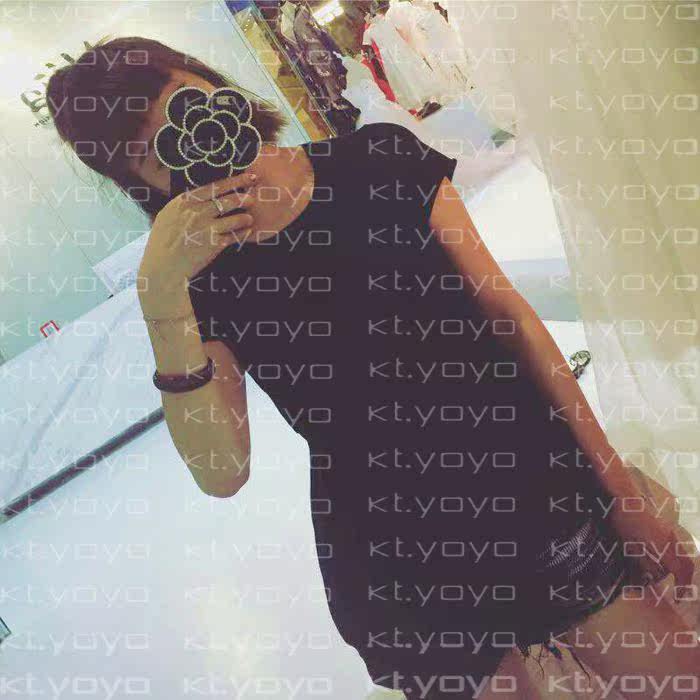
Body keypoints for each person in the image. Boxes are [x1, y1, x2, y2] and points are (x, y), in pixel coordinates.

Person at [46, 36, 699, 699]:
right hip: (396, 553)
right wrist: (161, 299)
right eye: (153, 152)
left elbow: (511, 319)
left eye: (185, 106)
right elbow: (221, 471)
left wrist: (620, 494)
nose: (196, 145)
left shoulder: (377, 160)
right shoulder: (198, 277)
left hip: (530, 485)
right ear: (138, 181)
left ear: (215, 85)